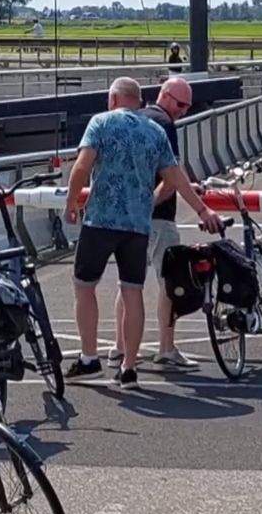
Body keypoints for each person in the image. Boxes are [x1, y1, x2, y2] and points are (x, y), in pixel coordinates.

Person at [63, 77, 224, 389]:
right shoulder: (155, 131)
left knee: (84, 287)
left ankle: (89, 358)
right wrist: (203, 209)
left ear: (112, 99)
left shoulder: (101, 122)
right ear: (138, 100)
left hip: (100, 219)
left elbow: (82, 167)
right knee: (132, 291)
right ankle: (128, 368)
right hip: (138, 224)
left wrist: (71, 202)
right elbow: (175, 176)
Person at [105, 77, 197, 370]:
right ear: (165, 96)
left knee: (129, 283)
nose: (183, 111)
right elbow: (171, 178)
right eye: (181, 104)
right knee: (169, 282)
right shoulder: (164, 125)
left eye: (188, 107)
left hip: (127, 217)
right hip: (157, 216)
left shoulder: (135, 120)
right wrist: (153, 202)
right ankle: (167, 347)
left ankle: (120, 346)